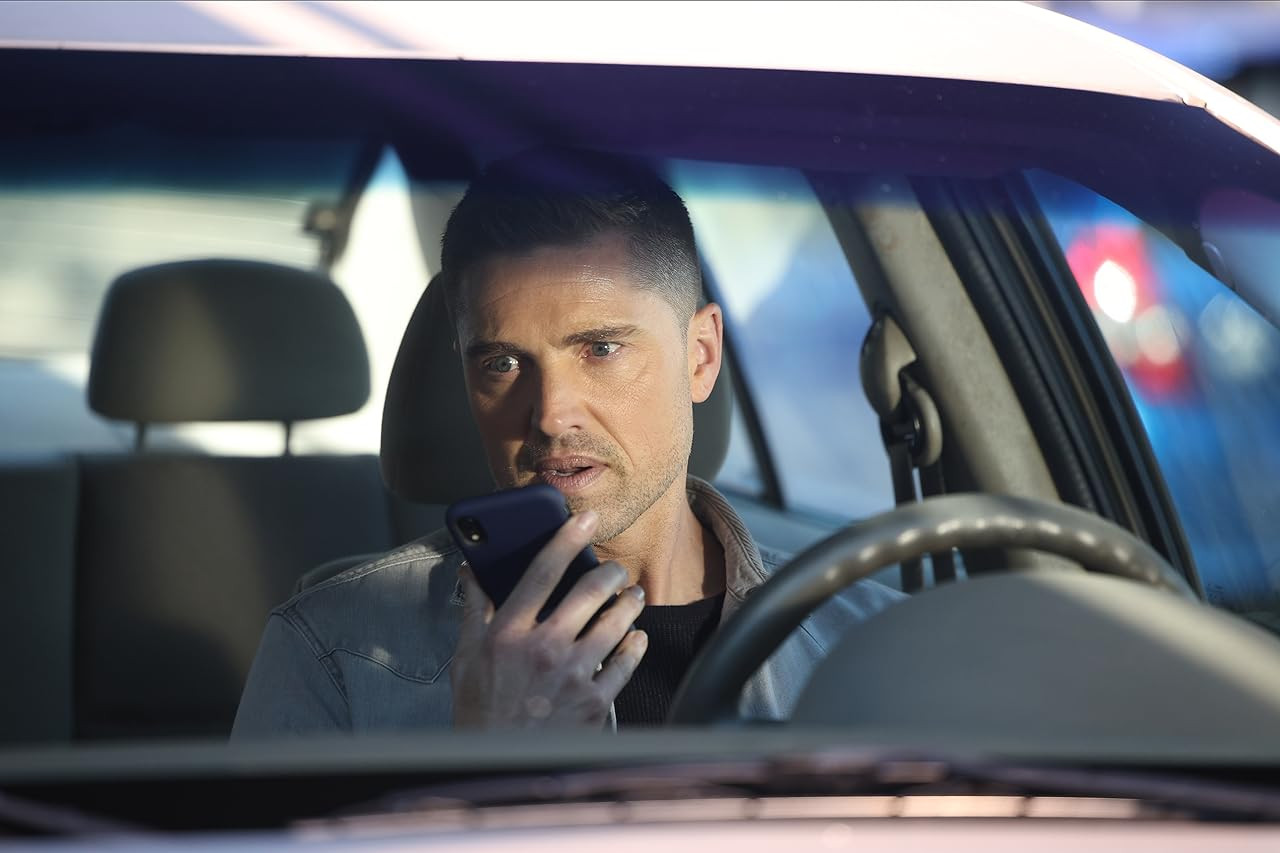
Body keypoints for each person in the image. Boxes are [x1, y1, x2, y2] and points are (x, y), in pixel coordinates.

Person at [231, 149, 902, 736]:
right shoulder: (334, 652)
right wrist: (494, 768)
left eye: (601, 349)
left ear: (700, 356)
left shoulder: (878, 645)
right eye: (502, 364)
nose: (551, 415)